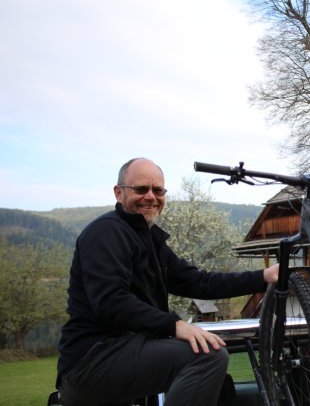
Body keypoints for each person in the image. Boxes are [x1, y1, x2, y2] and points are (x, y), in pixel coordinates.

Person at [56, 158, 279, 406]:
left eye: (158, 190)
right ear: (119, 193)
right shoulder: (105, 233)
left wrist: (262, 277)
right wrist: (176, 325)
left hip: (126, 352)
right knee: (208, 358)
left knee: (219, 385)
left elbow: (198, 282)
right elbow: (111, 302)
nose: (151, 197)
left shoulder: (150, 241)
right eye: (141, 189)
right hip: (93, 359)